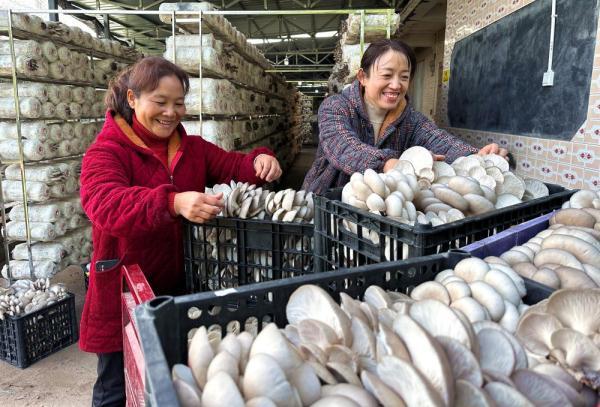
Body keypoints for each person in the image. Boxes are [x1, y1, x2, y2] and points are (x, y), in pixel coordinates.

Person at [79, 56, 282, 406]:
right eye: (160, 102)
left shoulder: (193, 149)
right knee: (115, 387)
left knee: (171, 382)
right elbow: (105, 204)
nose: (170, 113)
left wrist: (261, 158)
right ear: (132, 99)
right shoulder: (106, 152)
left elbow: (236, 165)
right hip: (126, 294)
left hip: (177, 290)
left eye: (178, 103)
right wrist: (172, 202)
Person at [302, 39, 508, 195]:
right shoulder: (336, 107)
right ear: (363, 77)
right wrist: (390, 163)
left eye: (404, 77)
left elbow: (441, 142)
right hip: (326, 202)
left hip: (376, 209)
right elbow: (343, 147)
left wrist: (477, 157)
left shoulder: (411, 120)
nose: (396, 85)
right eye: (387, 75)